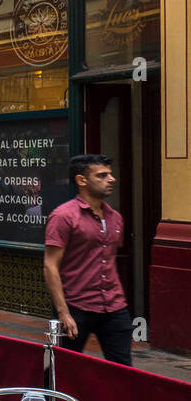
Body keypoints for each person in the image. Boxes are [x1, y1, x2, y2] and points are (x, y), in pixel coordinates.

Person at [44, 154, 132, 365]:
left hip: (113, 306)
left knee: (124, 371)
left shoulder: (115, 217)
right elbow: (50, 266)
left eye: (110, 174)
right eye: (102, 175)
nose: (111, 179)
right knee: (66, 369)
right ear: (81, 181)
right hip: (76, 307)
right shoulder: (63, 216)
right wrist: (63, 313)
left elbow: (107, 260)